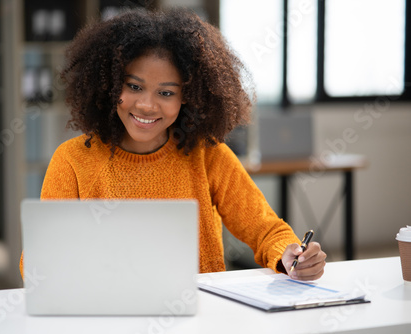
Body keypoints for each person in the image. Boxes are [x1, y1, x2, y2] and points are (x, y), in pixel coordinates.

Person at [19, 8, 326, 281]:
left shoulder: (208, 157)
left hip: (199, 317)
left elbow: (267, 229)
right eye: (134, 86)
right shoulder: (72, 159)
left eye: (166, 93)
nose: (147, 105)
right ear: (110, 85)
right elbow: (39, 259)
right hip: (105, 315)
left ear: (188, 98)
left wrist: (289, 256)